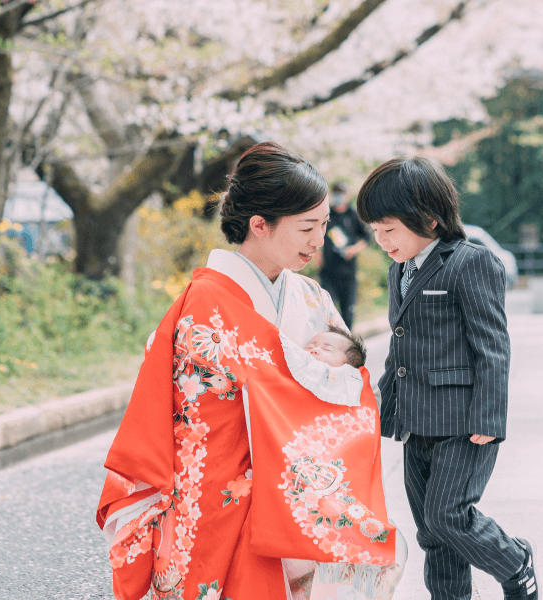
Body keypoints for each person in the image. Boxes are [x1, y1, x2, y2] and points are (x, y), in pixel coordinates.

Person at [96, 142, 403, 600]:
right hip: (217, 493)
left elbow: (351, 386)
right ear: (259, 225)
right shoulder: (202, 305)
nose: (319, 240)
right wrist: (295, 385)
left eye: (322, 225)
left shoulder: (312, 297)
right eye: (306, 227)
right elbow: (200, 417)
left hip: (295, 499)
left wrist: (342, 363)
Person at [356, 156, 539, 600]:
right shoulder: (399, 270)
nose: (381, 241)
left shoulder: (471, 263)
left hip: (463, 422)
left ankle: (515, 562)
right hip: (415, 422)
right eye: (375, 232)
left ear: (430, 219)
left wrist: (490, 418)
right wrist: (379, 409)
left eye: (389, 229)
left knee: (448, 516)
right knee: (432, 533)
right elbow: (399, 350)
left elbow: (493, 346)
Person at [319, 181, 370, 327]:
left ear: (347, 195)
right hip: (328, 271)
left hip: (348, 272)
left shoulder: (353, 215)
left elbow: (366, 237)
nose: (338, 196)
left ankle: (347, 345)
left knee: (348, 313)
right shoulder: (327, 214)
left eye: (341, 193)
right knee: (326, 310)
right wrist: (317, 254)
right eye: (336, 193)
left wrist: (353, 250)